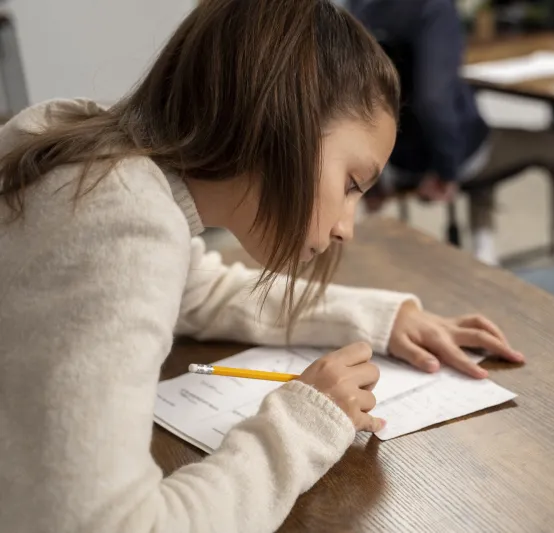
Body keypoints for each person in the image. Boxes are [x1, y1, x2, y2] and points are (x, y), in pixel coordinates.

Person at [0, 2, 524, 532]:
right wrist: (302, 424)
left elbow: (194, 290)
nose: (347, 227)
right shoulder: (122, 221)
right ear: (282, 119)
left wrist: (384, 319)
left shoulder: (89, 152)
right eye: (350, 184)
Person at [347, 0, 554, 317]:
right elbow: (434, 103)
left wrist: (375, 174)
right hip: (442, 161)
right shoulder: (436, 8)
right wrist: (447, 172)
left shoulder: (360, 7)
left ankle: (485, 251)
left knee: (477, 132)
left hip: (394, 157)